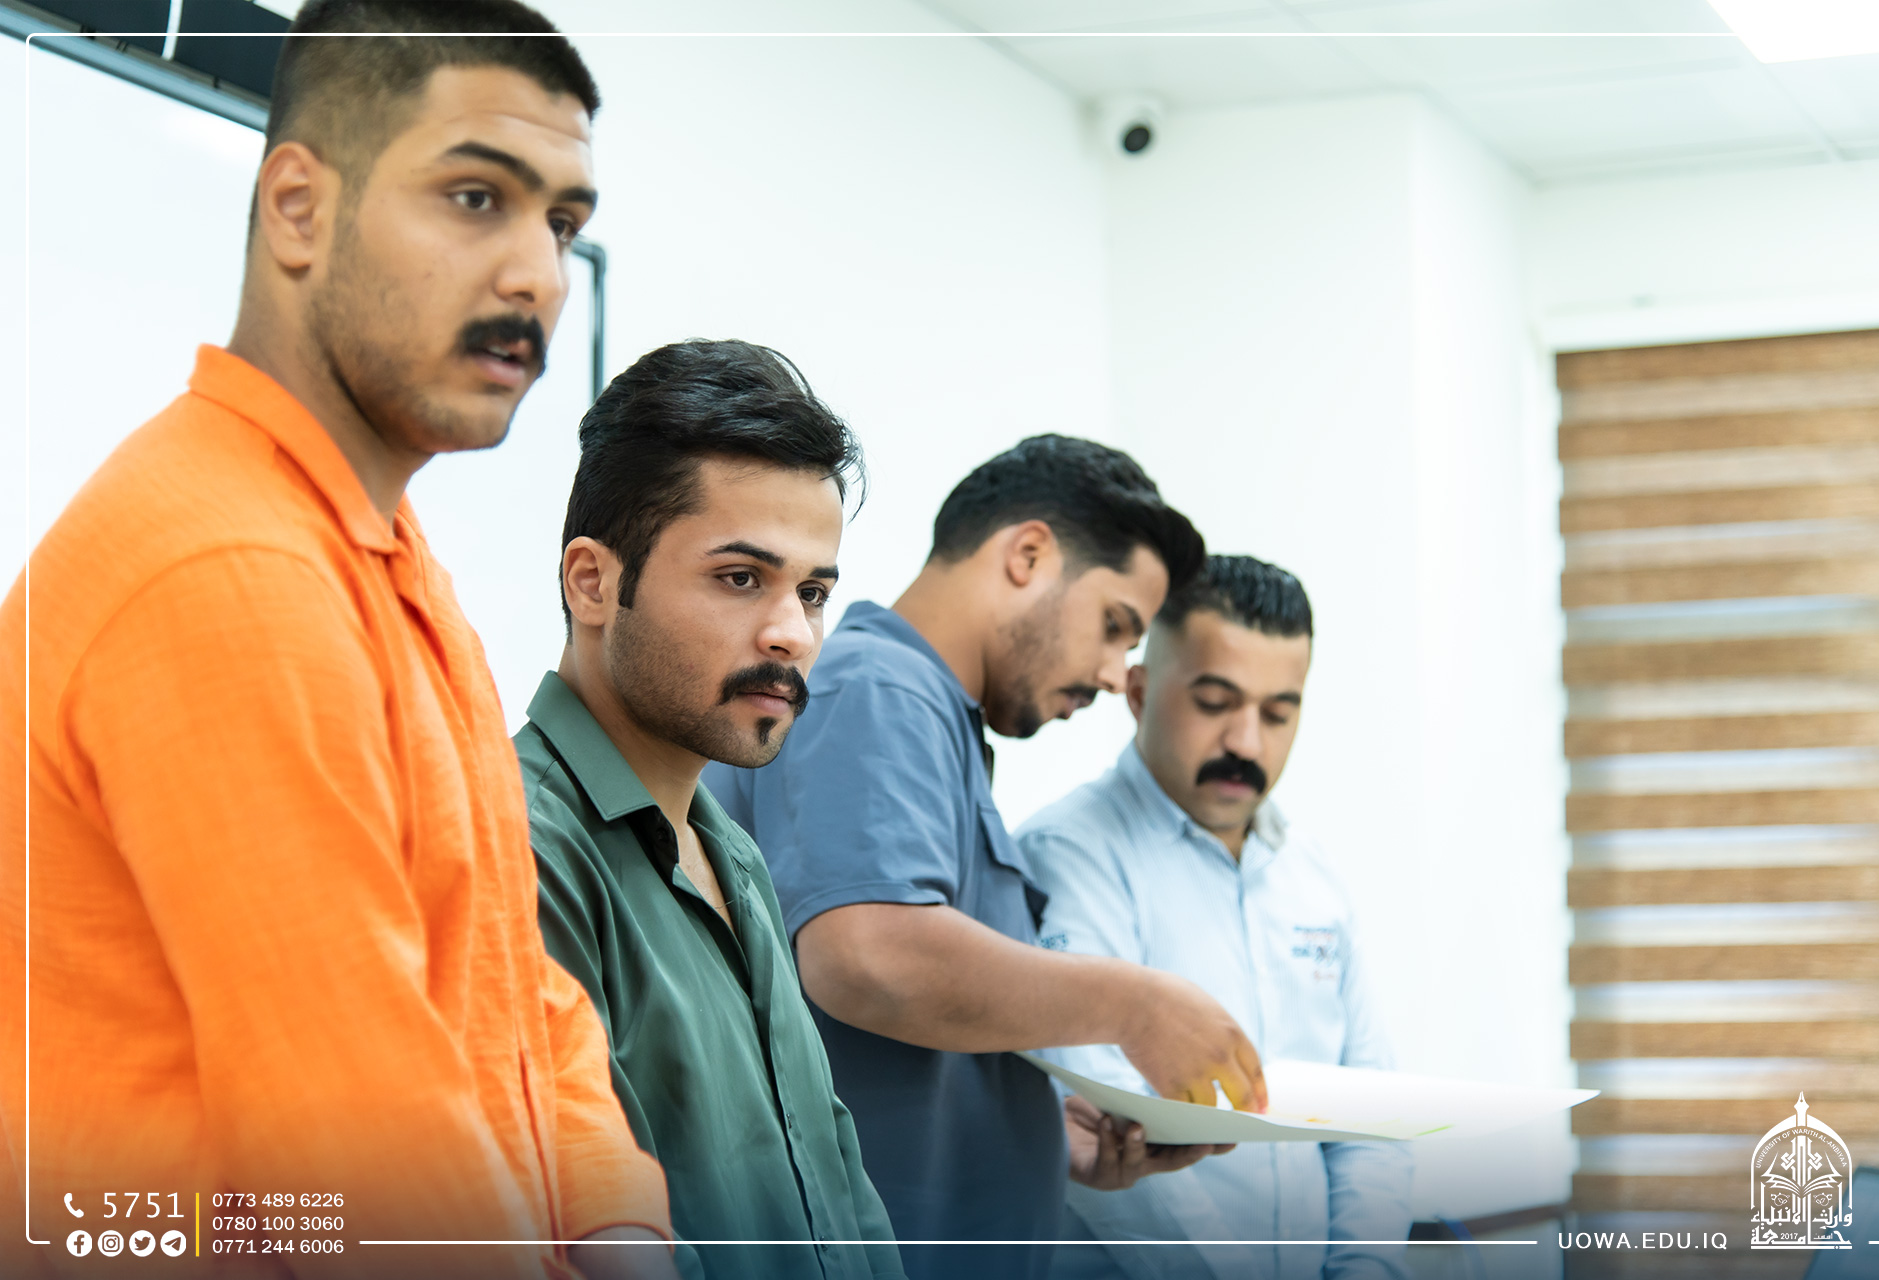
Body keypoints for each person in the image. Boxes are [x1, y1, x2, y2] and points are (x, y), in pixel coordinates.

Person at [0, 3, 676, 1277]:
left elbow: (512, 983)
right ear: (299, 209)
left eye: (561, 221)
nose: (538, 274)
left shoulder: (390, 559)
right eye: (476, 198)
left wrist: (617, 1217)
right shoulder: (231, 573)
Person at [705, 436, 1266, 1280]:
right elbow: (866, 955)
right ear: (1028, 555)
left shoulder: (930, 715)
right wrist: (1138, 1006)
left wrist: (1032, 1129)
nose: (1113, 674)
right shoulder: (877, 688)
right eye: (1115, 627)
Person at [519, 340, 904, 1280]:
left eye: (813, 592)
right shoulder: (514, 846)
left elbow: (838, 1186)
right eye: (741, 578)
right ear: (592, 582)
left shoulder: (730, 851)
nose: (791, 633)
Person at [1018, 556, 1415, 1280]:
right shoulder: (1067, 857)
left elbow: (1369, 1118)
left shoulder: (1312, 877)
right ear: (1139, 692)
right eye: (1213, 702)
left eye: (1278, 712)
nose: (1247, 744)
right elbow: (1098, 1111)